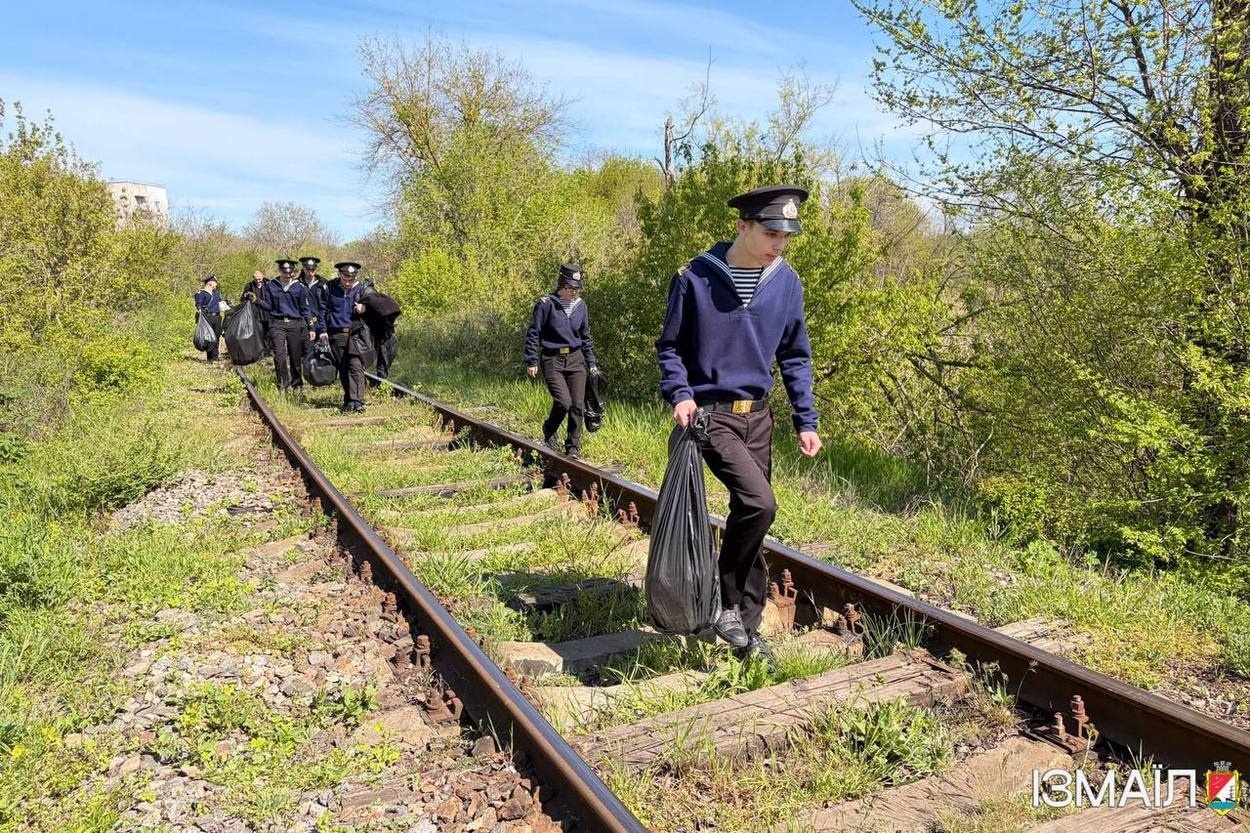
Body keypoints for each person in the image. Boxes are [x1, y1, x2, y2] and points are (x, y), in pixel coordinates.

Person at [655, 185, 823, 664]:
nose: (778, 244)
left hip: (760, 418)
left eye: (786, 236)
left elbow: (794, 354)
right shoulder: (695, 278)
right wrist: (681, 393)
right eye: (770, 233)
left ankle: (745, 634)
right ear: (742, 226)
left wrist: (805, 420)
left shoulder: (786, 282)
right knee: (760, 503)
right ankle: (727, 601)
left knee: (750, 519)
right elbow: (669, 346)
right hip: (711, 417)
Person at [524, 264, 597, 459]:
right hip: (552, 359)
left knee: (577, 405)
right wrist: (531, 360)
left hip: (576, 358)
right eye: (571, 288)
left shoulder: (581, 306)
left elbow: (585, 336)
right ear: (562, 285)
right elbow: (534, 333)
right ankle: (549, 429)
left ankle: (572, 446)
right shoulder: (546, 304)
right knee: (564, 402)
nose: (574, 292)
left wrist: (592, 362)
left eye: (577, 288)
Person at [317, 261, 371, 413]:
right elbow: (322, 310)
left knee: (356, 366)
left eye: (351, 279)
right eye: (345, 278)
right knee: (343, 368)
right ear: (339, 274)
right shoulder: (329, 288)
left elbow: (376, 307)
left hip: (356, 334)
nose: (348, 282)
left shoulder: (363, 289)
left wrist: (364, 308)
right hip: (337, 333)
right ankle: (348, 400)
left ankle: (358, 401)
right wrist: (322, 330)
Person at [257, 258, 315, 391]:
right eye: (285, 272)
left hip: (295, 324)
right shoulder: (272, 285)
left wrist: (311, 326)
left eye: (290, 272)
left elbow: (305, 309)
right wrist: (258, 301)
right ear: (280, 271)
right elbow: (269, 306)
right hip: (277, 323)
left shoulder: (299, 287)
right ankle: (283, 384)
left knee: (295, 355)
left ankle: (297, 384)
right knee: (279, 354)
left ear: (293, 272)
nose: (287, 275)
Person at [193, 274, 227, 362]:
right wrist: (201, 310)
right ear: (209, 284)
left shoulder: (216, 293)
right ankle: (210, 358)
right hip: (207, 318)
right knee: (209, 338)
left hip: (217, 317)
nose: (216, 285)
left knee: (217, 337)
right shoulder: (201, 293)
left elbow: (220, 303)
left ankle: (215, 356)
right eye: (215, 283)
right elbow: (198, 305)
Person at [240, 269, 274, 357]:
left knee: (269, 332)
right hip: (256, 313)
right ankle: (261, 351)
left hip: (268, 312)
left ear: (262, 277)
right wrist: (247, 297)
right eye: (256, 279)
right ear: (253, 279)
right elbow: (243, 299)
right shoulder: (249, 286)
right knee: (259, 333)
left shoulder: (269, 284)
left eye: (259, 279)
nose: (258, 281)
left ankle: (270, 351)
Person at [297, 255, 327, 328]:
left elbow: (325, 305)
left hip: (319, 322)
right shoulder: (297, 284)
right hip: (302, 323)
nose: (310, 273)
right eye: (308, 270)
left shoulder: (323, 284)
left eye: (312, 270)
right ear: (303, 268)